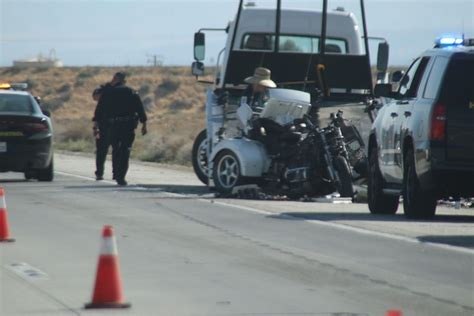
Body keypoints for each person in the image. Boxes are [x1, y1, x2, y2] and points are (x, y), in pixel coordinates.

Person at [94, 72, 147, 186]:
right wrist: (144, 124)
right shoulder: (131, 92)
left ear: (117, 80)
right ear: (125, 81)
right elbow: (140, 108)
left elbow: (99, 110)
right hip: (128, 126)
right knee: (125, 150)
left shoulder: (108, 93)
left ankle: (117, 174)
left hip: (112, 126)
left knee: (116, 149)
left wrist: (96, 125)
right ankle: (120, 176)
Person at [91, 73, 123, 180]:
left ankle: (116, 173)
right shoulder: (105, 88)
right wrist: (96, 125)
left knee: (117, 150)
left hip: (117, 124)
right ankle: (99, 172)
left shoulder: (123, 90)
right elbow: (96, 98)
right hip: (104, 123)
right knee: (101, 150)